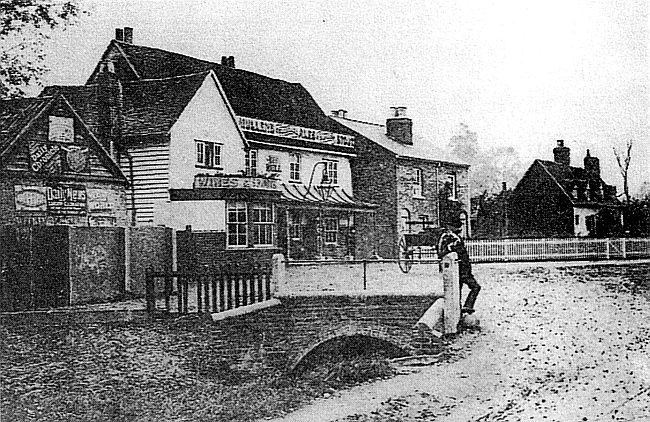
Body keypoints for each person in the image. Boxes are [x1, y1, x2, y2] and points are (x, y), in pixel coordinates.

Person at [437, 217, 481, 315]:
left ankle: (460, 310)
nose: (458, 229)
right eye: (456, 227)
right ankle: (466, 307)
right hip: (459, 269)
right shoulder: (448, 238)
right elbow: (441, 253)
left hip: (463, 269)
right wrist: (450, 247)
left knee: (458, 291)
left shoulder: (454, 237)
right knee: (475, 287)